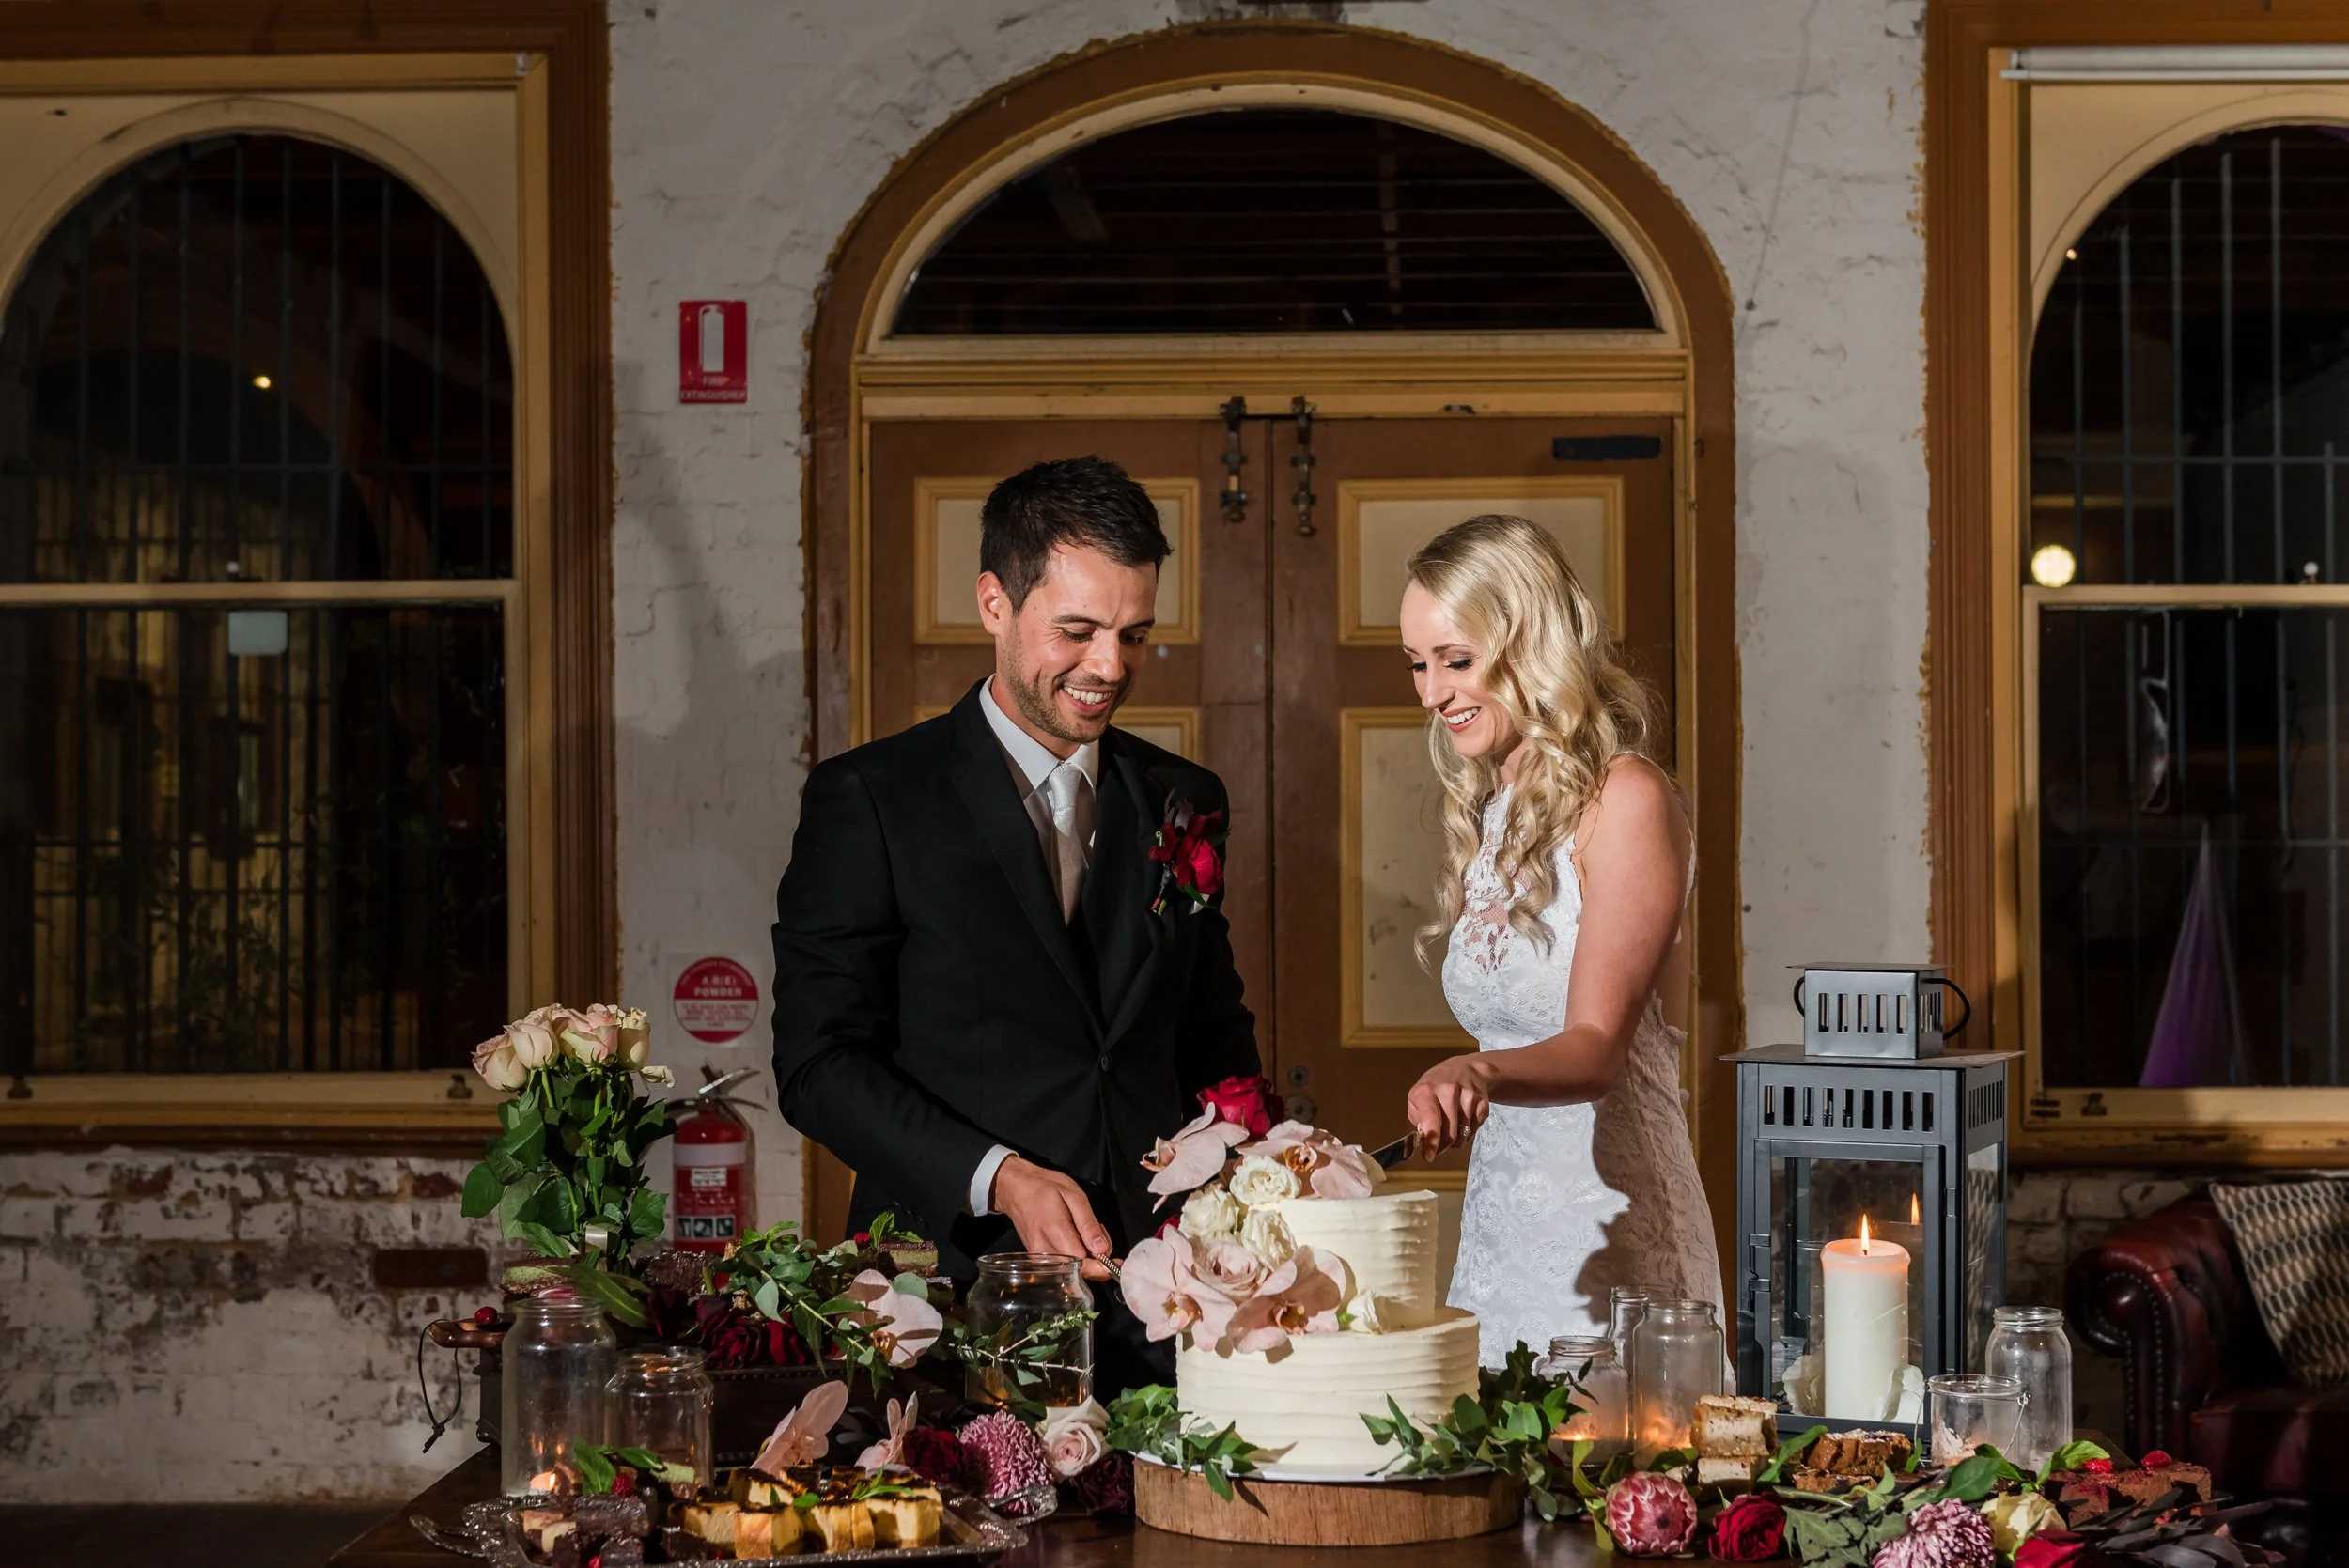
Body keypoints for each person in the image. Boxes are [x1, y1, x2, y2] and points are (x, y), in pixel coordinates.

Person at [770, 455, 1259, 1392]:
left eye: (1134, 634)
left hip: (1165, 1303)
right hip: (947, 1298)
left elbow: (1213, 1038)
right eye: (1076, 631)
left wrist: (1261, 1181)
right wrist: (998, 1174)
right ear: (994, 602)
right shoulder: (870, 799)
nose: (1109, 667)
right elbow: (819, 1065)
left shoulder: (1184, 798)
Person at [1398, 513, 1723, 1365]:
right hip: (1500, 1233)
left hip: (1612, 1235)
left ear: (1529, 641)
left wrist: (1477, 1071)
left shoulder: (1627, 798)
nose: (1431, 693)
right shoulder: (1494, 811)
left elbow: (1595, 1048)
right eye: (1418, 664)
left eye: (1456, 660)